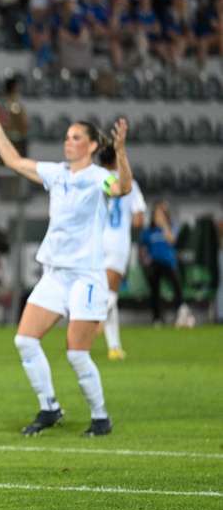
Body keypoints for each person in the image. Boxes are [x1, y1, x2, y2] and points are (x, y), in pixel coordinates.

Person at [0, 95, 135, 438]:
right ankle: (49, 407)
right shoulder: (56, 173)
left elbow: (122, 187)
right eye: (66, 136)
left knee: (77, 353)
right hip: (55, 274)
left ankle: (101, 417)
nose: (69, 141)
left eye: (76, 137)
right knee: (25, 340)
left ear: (92, 145)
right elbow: (13, 160)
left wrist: (121, 151)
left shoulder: (98, 178)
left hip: (86, 278)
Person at [98, 132, 145, 361]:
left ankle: (114, 346)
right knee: (110, 295)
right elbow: (138, 219)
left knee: (102, 293)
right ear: (117, 159)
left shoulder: (95, 178)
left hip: (95, 242)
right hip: (117, 243)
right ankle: (92, 322)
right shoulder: (129, 183)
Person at [140, 201, 193, 327]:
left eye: (161, 214)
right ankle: (157, 318)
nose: (158, 217)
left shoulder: (171, 227)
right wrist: (145, 259)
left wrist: (164, 226)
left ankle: (182, 312)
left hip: (169, 263)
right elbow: (143, 248)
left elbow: (172, 241)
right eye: (157, 214)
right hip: (155, 264)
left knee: (176, 286)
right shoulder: (149, 231)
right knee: (155, 290)